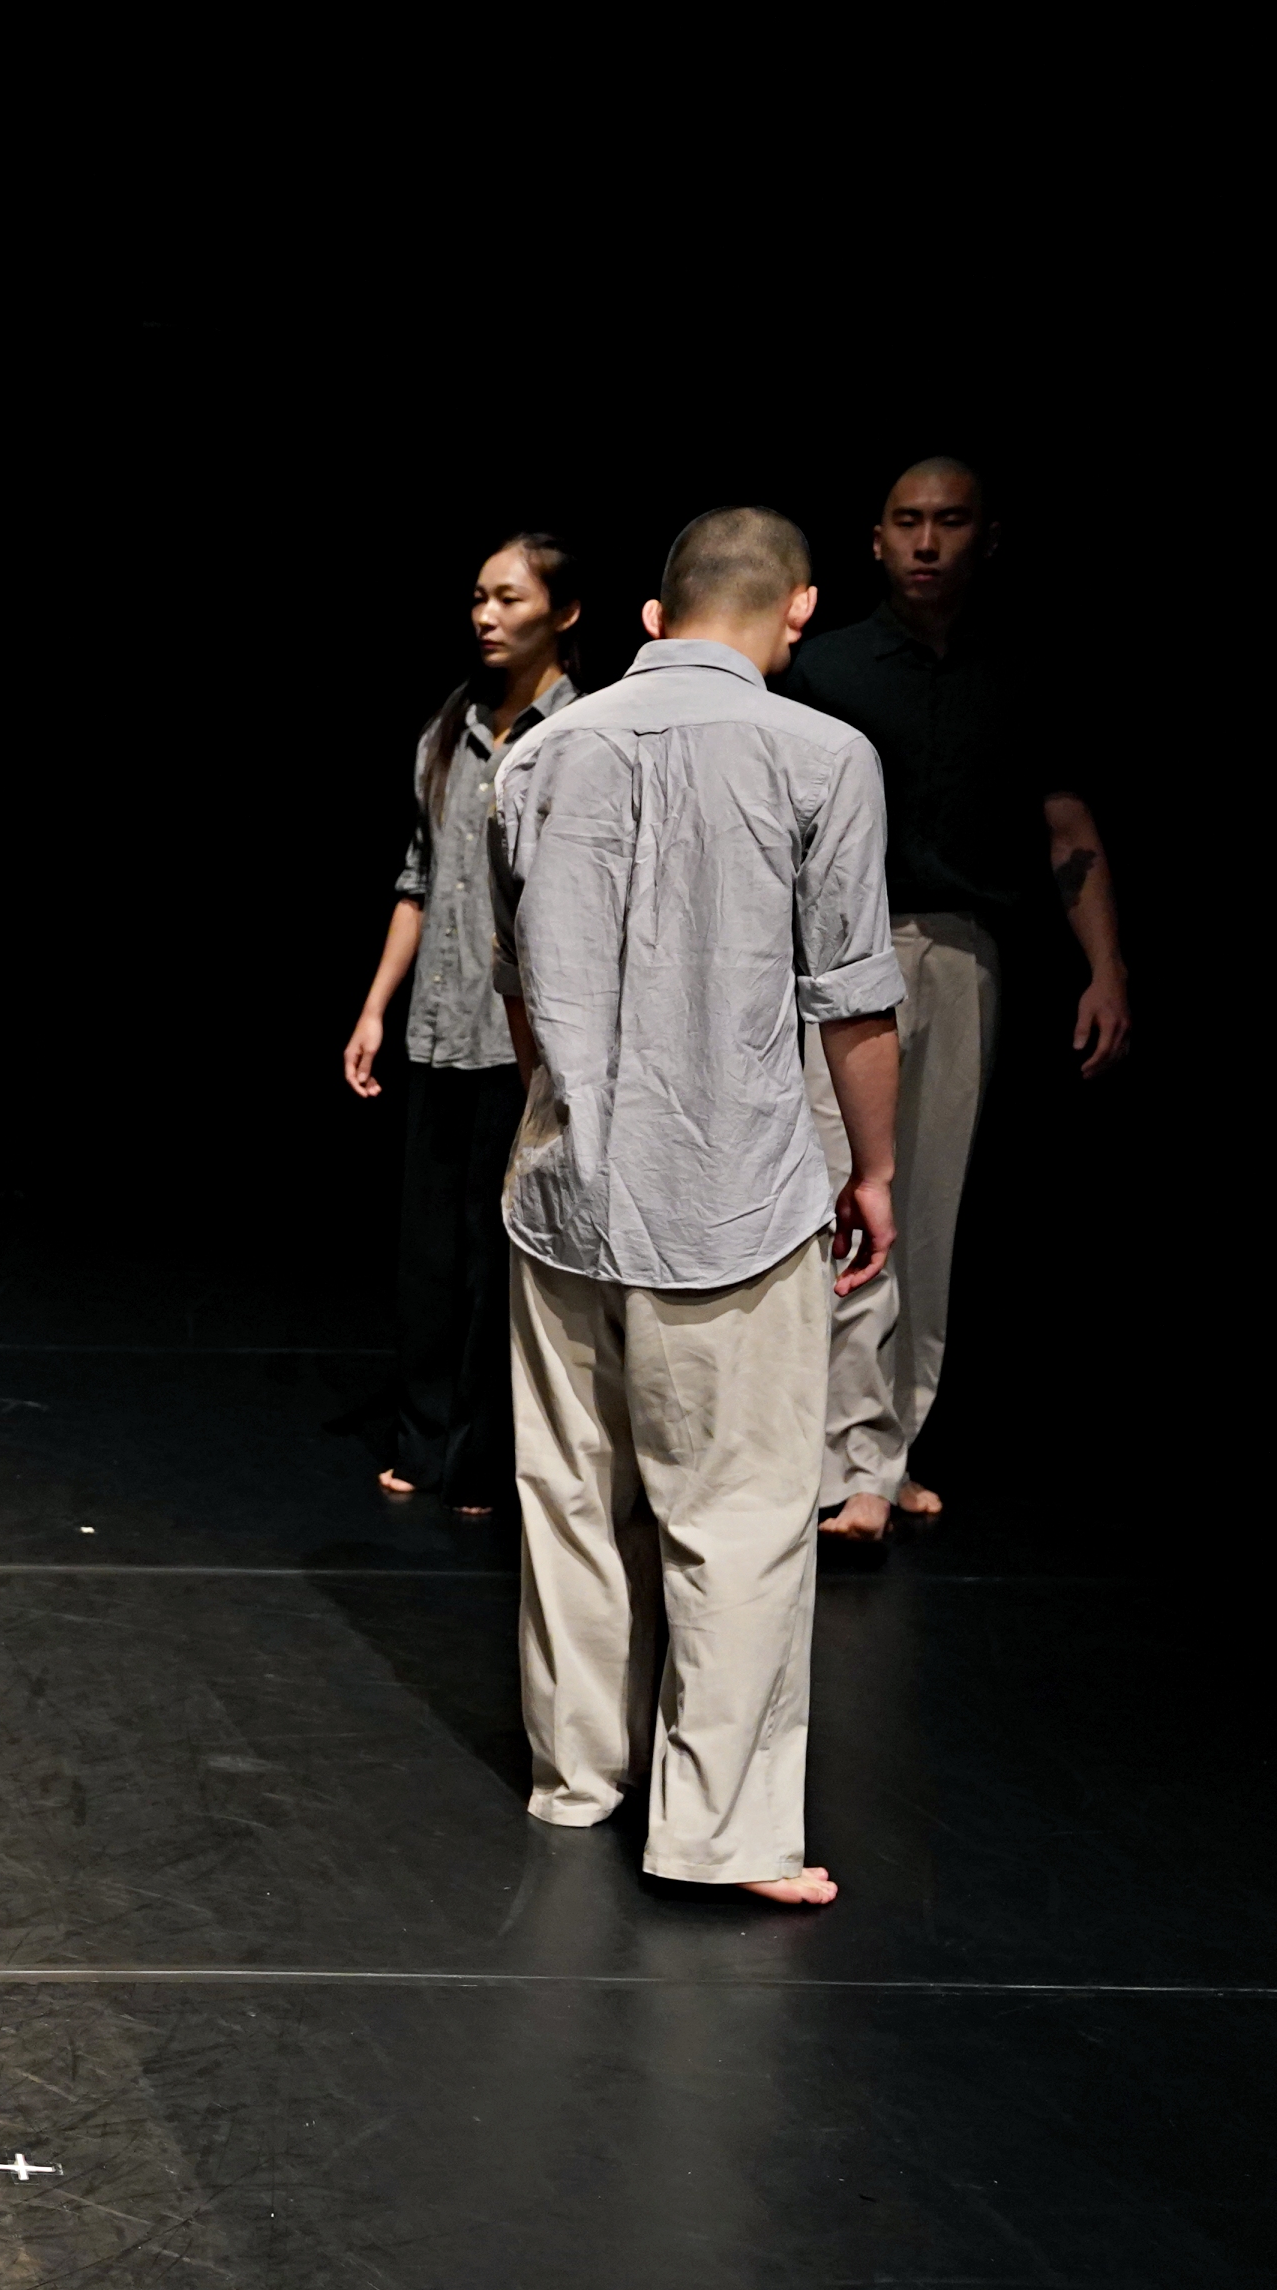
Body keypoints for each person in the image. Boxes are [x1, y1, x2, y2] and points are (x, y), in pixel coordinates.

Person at [492, 506, 904, 1908]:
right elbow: (854, 998)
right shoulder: (823, 754)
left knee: (569, 1497)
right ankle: (719, 1833)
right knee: (736, 1515)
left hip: (566, 1186)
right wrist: (875, 1171)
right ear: (799, 609)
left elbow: (520, 994)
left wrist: (569, 1115)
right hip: (732, 1195)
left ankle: (577, 1777)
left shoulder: (542, 752)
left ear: (658, 614)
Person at [780, 457, 1133, 1541]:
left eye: (949, 521)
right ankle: (834, 1455)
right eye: (907, 521)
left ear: (988, 537)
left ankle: (883, 1453)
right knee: (843, 1195)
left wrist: (1106, 968)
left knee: (925, 1211)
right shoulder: (826, 668)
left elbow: (1066, 827)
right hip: (844, 953)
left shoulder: (1018, 672)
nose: (927, 541)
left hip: (961, 950)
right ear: (875, 538)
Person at [342, 533, 588, 1516]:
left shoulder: (579, 736)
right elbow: (419, 880)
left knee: (499, 1259)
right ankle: (423, 1436)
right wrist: (375, 1007)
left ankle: (483, 1456)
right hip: (440, 1030)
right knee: (429, 1256)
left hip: (520, 1042)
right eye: (479, 597)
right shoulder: (449, 729)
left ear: (563, 612)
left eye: (510, 598)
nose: (487, 616)